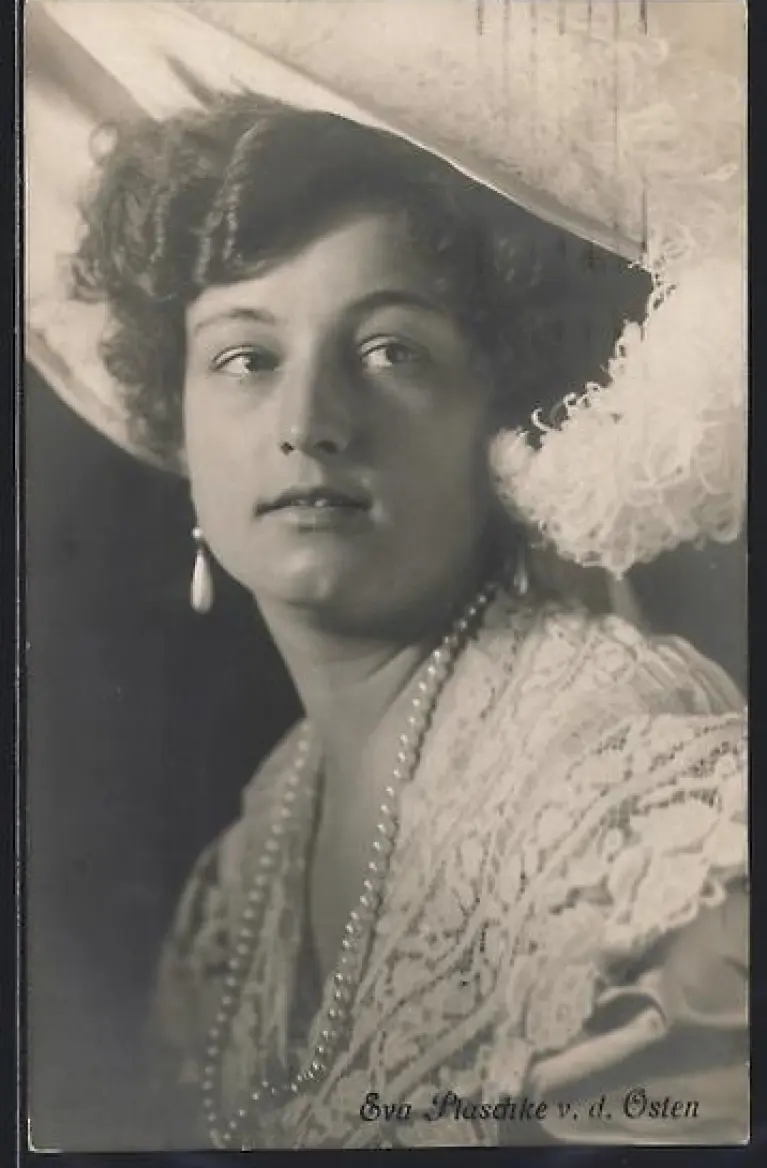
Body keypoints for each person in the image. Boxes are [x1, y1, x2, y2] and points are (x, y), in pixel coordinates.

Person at [58, 87, 747, 1152]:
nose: (309, 423)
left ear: (500, 413)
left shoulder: (643, 811)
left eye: (390, 351)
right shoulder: (241, 878)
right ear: (178, 429)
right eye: (246, 358)